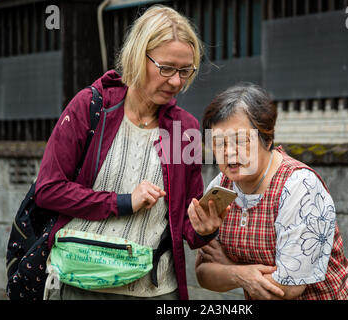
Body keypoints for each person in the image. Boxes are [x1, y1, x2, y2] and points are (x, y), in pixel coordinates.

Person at [36, 5, 226, 300]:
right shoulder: (90, 107)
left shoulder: (183, 127)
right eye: (166, 68)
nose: (176, 81)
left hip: (156, 291)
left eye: (185, 71)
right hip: (81, 284)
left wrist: (206, 229)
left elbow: (185, 225)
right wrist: (123, 202)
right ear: (139, 56)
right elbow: (48, 190)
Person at [195, 83, 348, 300]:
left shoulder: (299, 187)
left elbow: (286, 289)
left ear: (266, 139)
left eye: (240, 140)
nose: (229, 152)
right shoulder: (221, 187)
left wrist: (230, 270)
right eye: (219, 143)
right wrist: (241, 274)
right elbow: (203, 273)